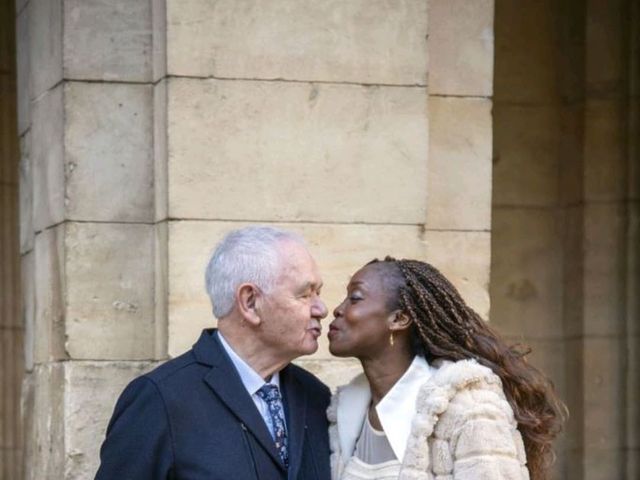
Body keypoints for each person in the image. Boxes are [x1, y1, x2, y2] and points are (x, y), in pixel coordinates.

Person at [96, 226, 331, 480]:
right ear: (250, 302)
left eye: (318, 293)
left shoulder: (315, 396)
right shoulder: (161, 399)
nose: (322, 309)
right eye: (305, 294)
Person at [327, 257, 566, 480]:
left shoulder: (470, 410)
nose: (337, 309)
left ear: (399, 319)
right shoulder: (346, 413)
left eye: (355, 298)